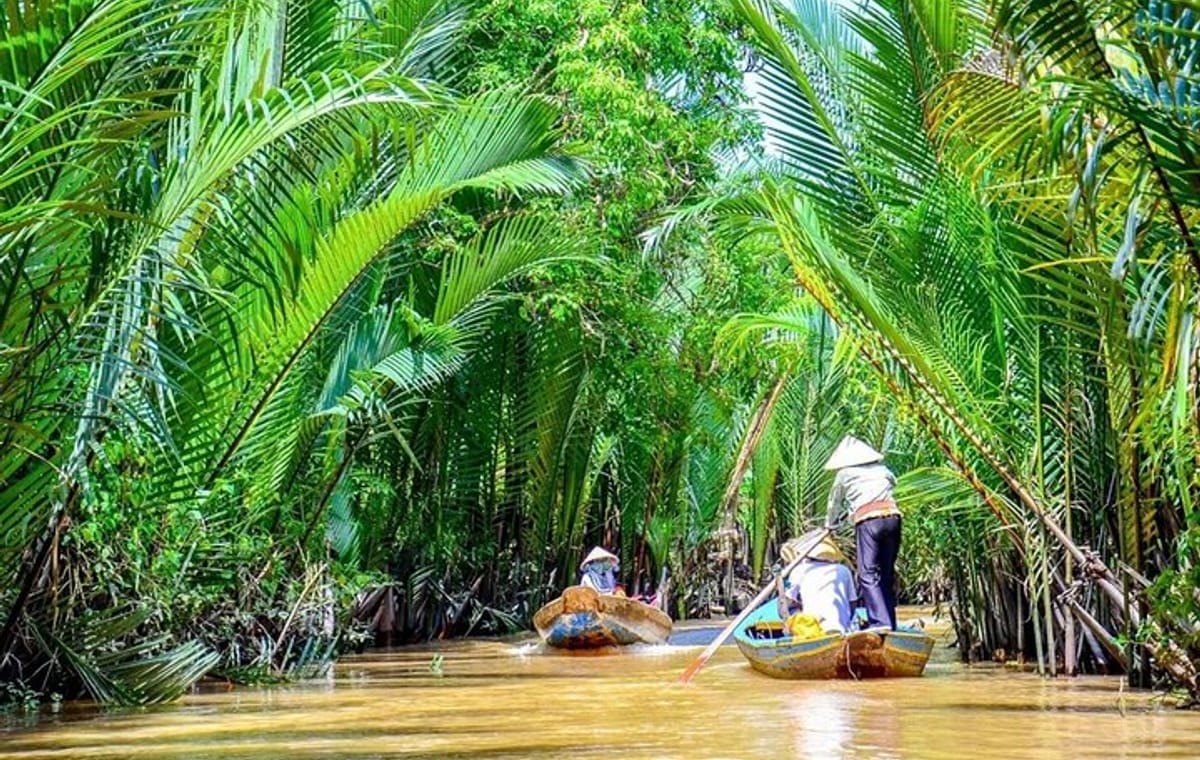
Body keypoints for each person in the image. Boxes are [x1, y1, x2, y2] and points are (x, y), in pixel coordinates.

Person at [824, 435, 902, 630]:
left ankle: (879, 622)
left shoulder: (844, 474)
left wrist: (830, 525)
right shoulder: (883, 470)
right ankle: (890, 623)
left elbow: (834, 503)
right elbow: (892, 483)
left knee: (868, 574)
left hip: (869, 521)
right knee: (886, 573)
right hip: (893, 518)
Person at [777, 531, 855, 635]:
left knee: (788, 607)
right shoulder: (844, 570)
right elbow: (852, 605)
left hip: (813, 630)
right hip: (842, 629)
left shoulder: (800, 570)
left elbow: (784, 606)